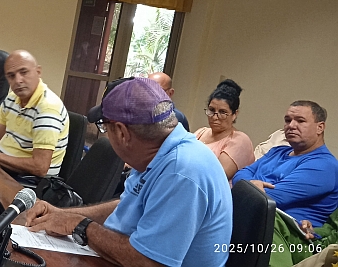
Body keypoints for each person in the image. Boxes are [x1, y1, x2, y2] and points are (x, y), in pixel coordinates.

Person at [25, 77, 232, 267]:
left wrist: (80, 226)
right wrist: (64, 215)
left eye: (105, 128)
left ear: (123, 132)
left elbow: (148, 263)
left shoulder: (182, 172)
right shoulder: (158, 152)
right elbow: (128, 205)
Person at [0, 50, 68, 178]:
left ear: (38, 72)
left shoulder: (47, 108)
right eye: (11, 76)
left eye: (24, 72)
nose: (18, 80)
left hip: (28, 182)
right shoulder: (12, 98)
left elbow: (40, 167)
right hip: (2, 168)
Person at [234, 101, 338, 227]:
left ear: (320, 127)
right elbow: (240, 174)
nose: (291, 126)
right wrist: (252, 184)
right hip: (251, 221)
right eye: (288, 120)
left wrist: (247, 186)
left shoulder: (324, 165)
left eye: (300, 121)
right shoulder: (277, 151)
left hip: (284, 235)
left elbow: (267, 199)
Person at [193, 79, 254, 180]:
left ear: (234, 114)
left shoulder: (239, 140)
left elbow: (217, 177)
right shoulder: (201, 132)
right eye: (211, 110)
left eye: (222, 112)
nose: (215, 117)